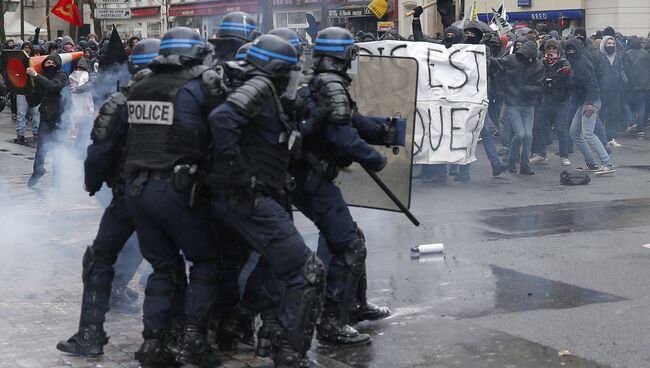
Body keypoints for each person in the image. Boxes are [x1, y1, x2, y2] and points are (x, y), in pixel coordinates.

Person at [207, 34, 325, 367]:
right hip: (251, 196)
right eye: (289, 69)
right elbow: (223, 121)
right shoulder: (259, 87)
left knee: (246, 264)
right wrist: (242, 175)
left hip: (246, 195)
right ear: (275, 68)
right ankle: (287, 352)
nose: (292, 76)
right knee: (307, 269)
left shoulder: (265, 91)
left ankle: (238, 326)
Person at [55, 38, 160, 357]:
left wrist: (93, 184)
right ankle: (162, 340)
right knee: (166, 261)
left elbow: (98, 150)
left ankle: (90, 333)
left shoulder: (122, 98)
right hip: (168, 193)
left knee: (104, 255)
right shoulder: (190, 96)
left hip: (127, 191)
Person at [124, 27, 223, 367]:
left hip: (137, 189)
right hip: (176, 188)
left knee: (163, 267)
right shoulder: (197, 86)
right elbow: (220, 130)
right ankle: (194, 340)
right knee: (206, 261)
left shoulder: (139, 85)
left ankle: (153, 343)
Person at [293, 27, 390, 345]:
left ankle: (355, 305)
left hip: (309, 176)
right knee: (348, 245)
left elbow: (350, 119)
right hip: (314, 178)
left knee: (351, 238)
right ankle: (332, 321)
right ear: (343, 55)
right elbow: (340, 135)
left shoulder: (319, 81)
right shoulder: (331, 83)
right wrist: (373, 157)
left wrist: (381, 131)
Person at [490, 41, 544, 175]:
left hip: (524, 103)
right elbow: (495, 63)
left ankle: (522, 164)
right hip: (514, 103)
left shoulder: (536, 65)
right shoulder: (514, 60)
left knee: (528, 135)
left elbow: (540, 85)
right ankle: (513, 160)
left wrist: (523, 89)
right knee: (521, 134)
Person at [564, 38, 615, 175]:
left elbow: (591, 83)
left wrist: (590, 104)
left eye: (572, 49)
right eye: (568, 50)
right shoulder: (577, 62)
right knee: (574, 133)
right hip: (584, 101)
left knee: (587, 133)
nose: (570, 52)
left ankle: (607, 163)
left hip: (590, 102)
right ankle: (591, 163)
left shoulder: (581, 63)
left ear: (578, 49)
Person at [26, 54, 68, 187]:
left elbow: (52, 86)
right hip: (45, 117)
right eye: (47, 63)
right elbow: (35, 100)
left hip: (59, 119)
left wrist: (36, 76)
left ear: (58, 65)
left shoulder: (62, 76)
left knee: (57, 150)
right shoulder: (41, 78)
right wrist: (26, 87)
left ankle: (57, 179)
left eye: (53, 63)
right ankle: (38, 171)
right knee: (41, 149)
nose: (50, 65)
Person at [530, 38, 573, 166]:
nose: (551, 50)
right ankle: (540, 153)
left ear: (558, 49)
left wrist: (564, 75)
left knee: (561, 129)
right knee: (537, 126)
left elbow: (570, 82)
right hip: (546, 99)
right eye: (549, 48)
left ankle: (564, 155)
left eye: (554, 48)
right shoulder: (541, 62)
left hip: (561, 100)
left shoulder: (563, 63)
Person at [595, 35, 627, 148]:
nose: (611, 45)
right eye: (609, 43)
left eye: (613, 44)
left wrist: (623, 77)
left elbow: (621, 69)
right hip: (602, 90)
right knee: (602, 113)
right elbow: (596, 73)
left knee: (614, 113)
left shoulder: (617, 57)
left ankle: (611, 137)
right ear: (604, 45)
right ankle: (600, 137)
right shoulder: (599, 57)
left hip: (615, 89)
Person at [622, 37, 650, 136]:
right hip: (645, 85)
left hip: (632, 84)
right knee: (641, 106)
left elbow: (626, 69)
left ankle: (631, 121)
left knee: (624, 102)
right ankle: (640, 128)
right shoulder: (646, 53)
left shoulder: (628, 53)